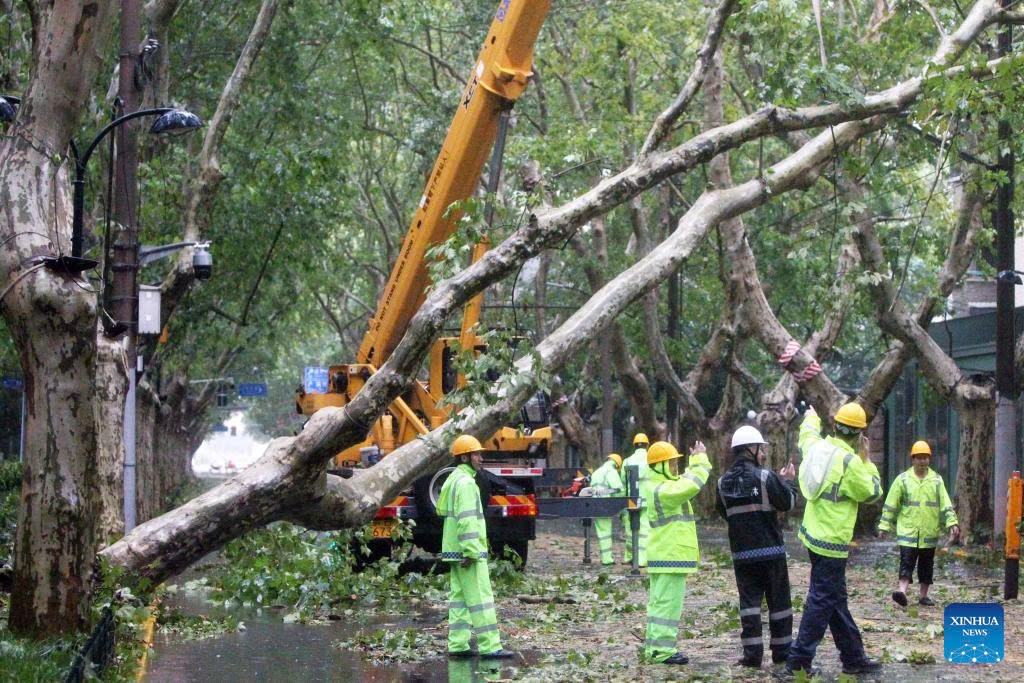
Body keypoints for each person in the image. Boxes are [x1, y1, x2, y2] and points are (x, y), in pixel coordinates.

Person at [786, 403, 883, 677]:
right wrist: (866, 459)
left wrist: (811, 416)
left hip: (812, 535)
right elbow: (873, 492)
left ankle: (854, 657)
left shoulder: (817, 447)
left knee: (834, 598)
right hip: (832, 542)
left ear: (835, 425)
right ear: (859, 434)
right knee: (822, 600)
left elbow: (806, 434)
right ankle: (798, 663)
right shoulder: (850, 462)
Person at [716, 425, 798, 669]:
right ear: (751, 449)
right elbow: (788, 502)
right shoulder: (765, 477)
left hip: (742, 555)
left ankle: (752, 656)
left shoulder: (722, 483)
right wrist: (789, 482)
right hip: (771, 553)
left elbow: (724, 512)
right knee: (779, 604)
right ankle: (782, 652)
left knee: (749, 606)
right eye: (761, 448)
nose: (763, 452)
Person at [438, 434, 514, 659]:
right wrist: (471, 552)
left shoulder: (453, 479)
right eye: (476, 454)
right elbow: (467, 520)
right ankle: (490, 646)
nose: (481, 458)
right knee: (481, 599)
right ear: (464, 458)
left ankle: (458, 645)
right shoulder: (466, 483)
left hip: (454, 551)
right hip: (467, 553)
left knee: (459, 600)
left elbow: (446, 513)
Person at [643, 439, 710, 665]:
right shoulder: (662, 489)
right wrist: (700, 461)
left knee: (659, 604)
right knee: (667, 606)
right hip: (669, 556)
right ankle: (663, 651)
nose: (674, 467)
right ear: (660, 465)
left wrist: (692, 463)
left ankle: (654, 647)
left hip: (665, 556)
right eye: (670, 463)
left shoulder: (659, 485)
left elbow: (682, 481)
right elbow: (690, 485)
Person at [878, 440, 960, 607]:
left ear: (929, 459)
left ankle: (924, 596)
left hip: (929, 532)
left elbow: (945, 503)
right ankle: (901, 591)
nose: (922, 461)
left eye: (925, 458)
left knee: (926, 565)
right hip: (908, 531)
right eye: (919, 458)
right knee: (906, 561)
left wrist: (952, 522)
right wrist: (884, 525)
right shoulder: (903, 480)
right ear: (913, 459)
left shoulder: (936, 481)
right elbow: (891, 504)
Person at [588, 453, 624, 565]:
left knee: (602, 532)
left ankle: (605, 558)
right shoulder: (611, 471)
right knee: (606, 532)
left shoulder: (597, 471)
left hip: (595, 504)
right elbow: (619, 490)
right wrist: (620, 507)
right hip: (605, 505)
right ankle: (607, 559)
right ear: (617, 465)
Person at [621, 433, 651, 567]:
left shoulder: (627, 461)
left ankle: (630, 557)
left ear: (634, 445)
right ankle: (642, 560)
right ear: (647, 445)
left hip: (631, 499)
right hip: (647, 499)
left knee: (630, 529)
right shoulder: (651, 459)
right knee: (645, 530)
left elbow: (623, 480)